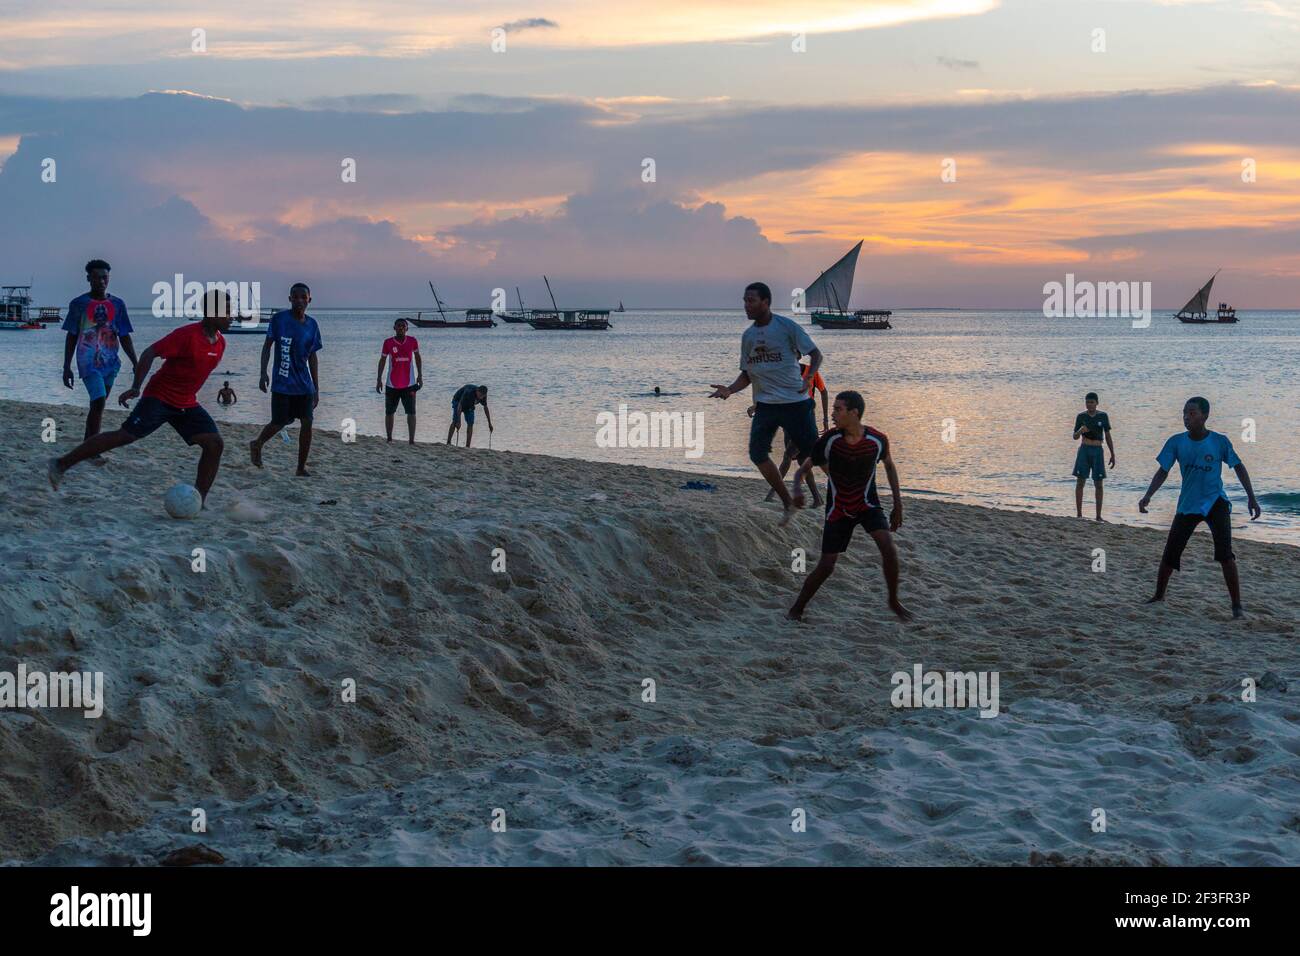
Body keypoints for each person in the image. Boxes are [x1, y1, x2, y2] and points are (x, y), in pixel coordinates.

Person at [47, 289, 231, 505]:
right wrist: (136, 387)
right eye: (227, 311)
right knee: (125, 436)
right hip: (160, 398)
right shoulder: (186, 335)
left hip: (186, 403)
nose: (232, 316)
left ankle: (198, 501)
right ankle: (61, 464)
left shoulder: (220, 343)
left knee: (214, 444)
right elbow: (150, 352)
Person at [786, 390, 910, 621]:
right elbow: (803, 469)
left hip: (868, 505)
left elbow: (890, 466)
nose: (832, 414)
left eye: (837, 409)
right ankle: (797, 609)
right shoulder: (829, 440)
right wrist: (797, 489)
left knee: (888, 548)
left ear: (854, 413)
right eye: (833, 409)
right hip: (838, 510)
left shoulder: (877, 439)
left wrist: (898, 504)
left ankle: (893, 601)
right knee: (826, 566)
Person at [710, 282, 824, 526]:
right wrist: (729, 389)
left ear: (766, 302)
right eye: (744, 300)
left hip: (795, 402)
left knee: (815, 453)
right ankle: (787, 503)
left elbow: (816, 354)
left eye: (751, 300)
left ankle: (848, 494)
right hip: (766, 405)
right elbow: (747, 374)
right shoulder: (748, 337)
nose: (746, 305)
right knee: (757, 453)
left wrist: (809, 377)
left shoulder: (786, 327)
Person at [1139, 396, 1261, 619]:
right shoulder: (1176, 442)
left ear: (1205, 416)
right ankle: (1158, 595)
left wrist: (1251, 498)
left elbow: (1239, 466)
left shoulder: (1219, 441)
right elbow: (1163, 471)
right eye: (1184, 413)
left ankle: (1237, 606)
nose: (1187, 417)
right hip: (1188, 504)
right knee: (1171, 552)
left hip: (1216, 502)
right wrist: (1148, 495)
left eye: (1192, 413)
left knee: (1225, 555)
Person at [61, 259, 138, 449]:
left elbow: (124, 335)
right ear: (89, 278)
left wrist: (135, 362)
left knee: (97, 405)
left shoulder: (118, 304)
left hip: (110, 363)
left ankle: (87, 444)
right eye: (96, 277)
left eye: (105, 277)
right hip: (88, 361)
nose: (101, 281)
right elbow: (72, 336)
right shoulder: (79, 304)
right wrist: (66, 366)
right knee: (99, 401)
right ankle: (92, 450)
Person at [249, 283, 322, 476]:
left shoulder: (312, 325)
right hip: (282, 384)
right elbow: (267, 346)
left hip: (304, 385)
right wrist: (263, 372)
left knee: (307, 423)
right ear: (290, 299)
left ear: (309, 300)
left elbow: (313, 357)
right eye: (295, 297)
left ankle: (300, 467)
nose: (299, 300)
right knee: (279, 422)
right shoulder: (279, 320)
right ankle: (257, 443)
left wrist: (316, 388)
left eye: (303, 297)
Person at [760, 357, 828, 506]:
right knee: (802, 460)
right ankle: (817, 499)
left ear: (797, 355)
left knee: (788, 457)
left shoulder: (811, 372)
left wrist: (825, 420)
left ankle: (771, 494)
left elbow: (824, 392)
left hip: (805, 421)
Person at [376, 318, 422, 443]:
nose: (401, 327)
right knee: (389, 412)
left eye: (403, 326)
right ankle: (389, 438)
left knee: (411, 412)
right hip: (392, 385)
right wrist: (379, 379)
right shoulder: (388, 342)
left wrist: (420, 375)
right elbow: (382, 360)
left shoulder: (412, 341)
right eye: (398, 325)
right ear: (394, 328)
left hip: (409, 384)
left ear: (407, 328)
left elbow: (417, 357)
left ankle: (411, 441)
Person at [1072, 391, 1114, 520]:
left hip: (1097, 450)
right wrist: (1080, 430)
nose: (1089, 404)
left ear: (1097, 403)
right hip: (1084, 450)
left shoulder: (1103, 416)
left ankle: (1098, 516)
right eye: (1087, 402)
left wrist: (1112, 454)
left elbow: (1107, 435)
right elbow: (1075, 436)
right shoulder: (1081, 417)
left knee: (1099, 484)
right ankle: (1079, 514)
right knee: (1080, 481)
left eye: (1092, 402)